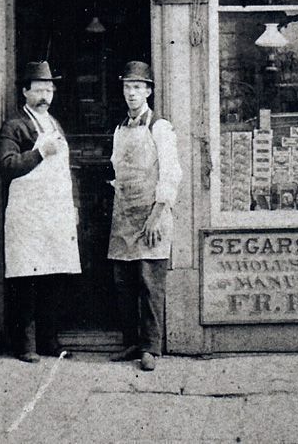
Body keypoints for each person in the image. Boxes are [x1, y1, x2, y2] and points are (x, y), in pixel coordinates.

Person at [0, 61, 82, 362]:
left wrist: (74, 205)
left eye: (49, 90)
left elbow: (66, 169)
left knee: (53, 277)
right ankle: (25, 345)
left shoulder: (54, 124)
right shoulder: (14, 126)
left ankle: (49, 341)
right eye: (39, 90)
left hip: (55, 211)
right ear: (25, 91)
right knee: (26, 279)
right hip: (28, 213)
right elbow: (7, 165)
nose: (45, 96)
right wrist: (39, 153)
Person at [107, 61, 182, 371]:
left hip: (152, 215)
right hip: (124, 215)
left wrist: (156, 215)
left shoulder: (159, 127)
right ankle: (132, 343)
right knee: (123, 282)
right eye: (128, 87)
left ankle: (150, 347)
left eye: (138, 87)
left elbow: (171, 174)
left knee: (150, 284)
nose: (132, 93)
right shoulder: (120, 128)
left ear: (148, 91)